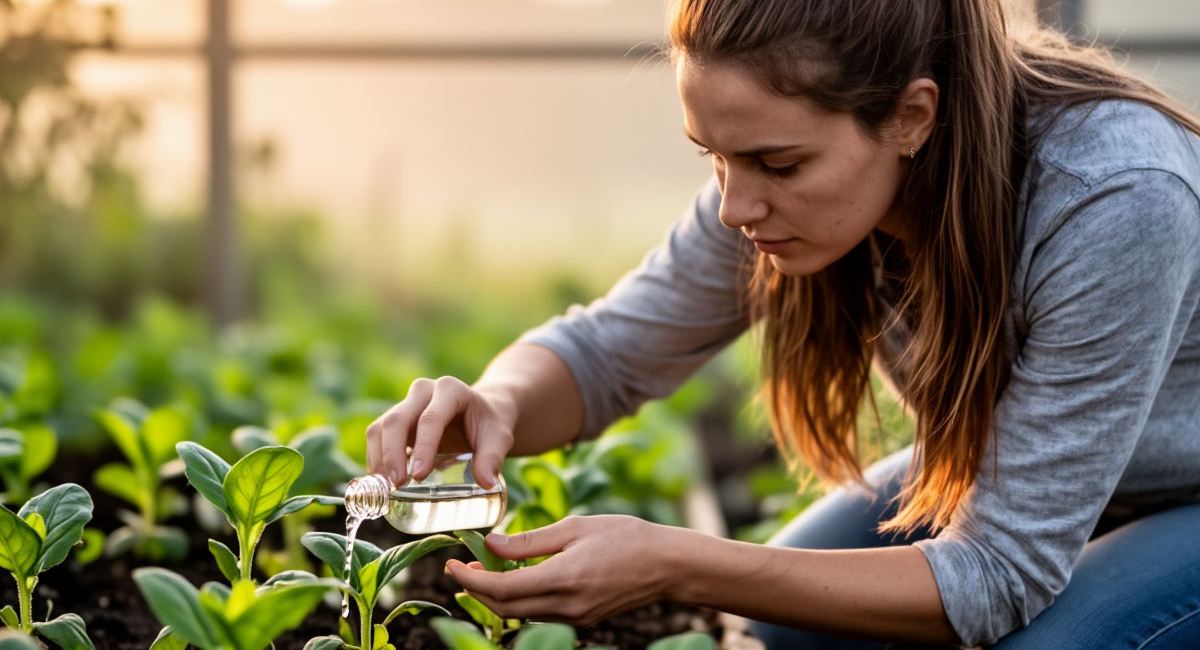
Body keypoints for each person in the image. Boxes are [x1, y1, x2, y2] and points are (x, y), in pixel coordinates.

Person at [364, 0, 1200, 647]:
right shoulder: (785, 178)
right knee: (783, 629)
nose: (734, 207)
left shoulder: (1114, 195)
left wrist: (678, 561)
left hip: (1183, 496)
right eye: (713, 158)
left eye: (777, 163)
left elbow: (998, 574)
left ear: (913, 117)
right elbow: (606, 352)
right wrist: (495, 404)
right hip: (1047, 481)